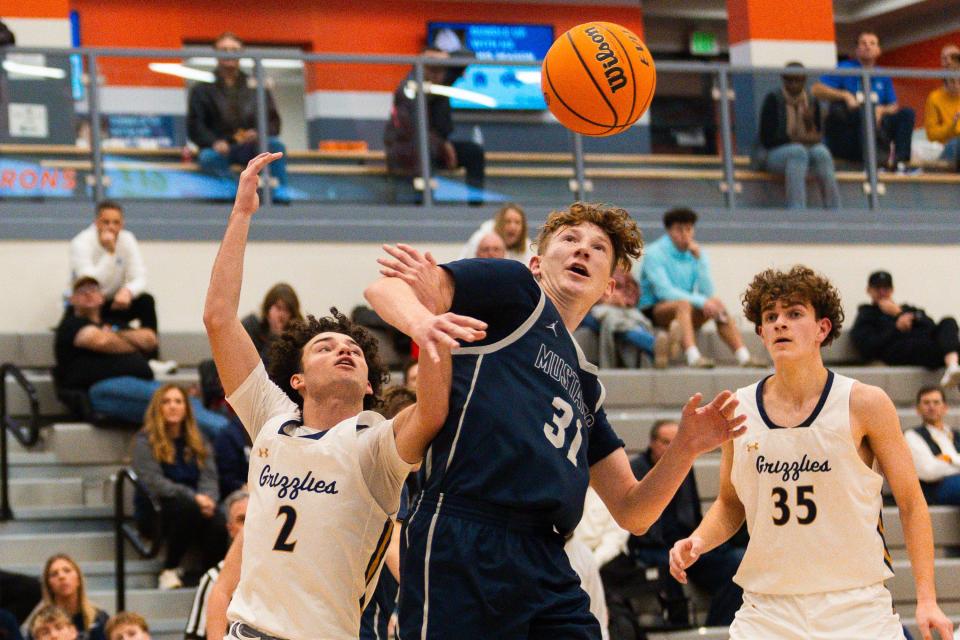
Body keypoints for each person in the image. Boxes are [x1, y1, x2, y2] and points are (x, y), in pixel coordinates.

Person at [367, 201, 748, 639]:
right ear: (535, 263)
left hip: (545, 554)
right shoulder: (516, 293)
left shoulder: (587, 385)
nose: (582, 250)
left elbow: (633, 511)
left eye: (598, 248)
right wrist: (423, 324)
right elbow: (385, 289)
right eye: (569, 240)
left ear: (610, 287)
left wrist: (686, 447)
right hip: (465, 530)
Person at [200, 152, 484, 640]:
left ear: (371, 385)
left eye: (353, 348)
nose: (343, 350)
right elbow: (219, 319)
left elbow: (433, 410)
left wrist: (429, 324)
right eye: (325, 347)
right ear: (298, 380)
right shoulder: (269, 416)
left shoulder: (372, 445)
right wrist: (241, 215)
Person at [669, 265, 954, 640]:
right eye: (770, 317)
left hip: (856, 606)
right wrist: (700, 540)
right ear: (760, 333)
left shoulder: (865, 402)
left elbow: (912, 504)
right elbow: (731, 503)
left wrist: (927, 598)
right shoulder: (737, 409)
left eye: (794, 313)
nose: (780, 324)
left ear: (822, 328)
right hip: (767, 609)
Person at [54, 276, 229, 435]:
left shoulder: (113, 323)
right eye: (82, 291)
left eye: (93, 289)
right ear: (72, 299)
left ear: (102, 297)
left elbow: (150, 340)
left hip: (140, 383)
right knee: (176, 403)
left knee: (185, 402)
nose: (88, 294)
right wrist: (129, 341)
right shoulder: (70, 325)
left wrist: (115, 336)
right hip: (101, 389)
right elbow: (101, 341)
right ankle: (229, 436)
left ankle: (230, 440)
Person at [631, 419, 744, 627]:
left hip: (685, 541)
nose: (670, 449)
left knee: (737, 561)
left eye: (675, 443)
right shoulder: (635, 468)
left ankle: (715, 628)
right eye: (666, 442)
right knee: (666, 564)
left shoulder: (685, 465)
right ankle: (678, 623)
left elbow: (693, 513)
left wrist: (705, 542)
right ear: (652, 443)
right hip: (652, 545)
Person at [638, 208, 764, 369]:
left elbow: (707, 293)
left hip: (685, 309)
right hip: (654, 310)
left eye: (689, 229)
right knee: (683, 304)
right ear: (669, 231)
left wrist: (700, 261)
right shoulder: (654, 253)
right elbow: (665, 292)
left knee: (716, 303)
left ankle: (744, 357)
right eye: (679, 229)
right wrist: (702, 301)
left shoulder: (696, 253)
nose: (685, 234)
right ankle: (693, 357)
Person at [132, 384, 228, 590]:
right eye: (166, 402)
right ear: (158, 408)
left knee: (219, 521)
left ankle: (209, 579)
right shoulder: (144, 441)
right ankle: (169, 569)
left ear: (186, 407)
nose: (173, 406)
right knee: (187, 507)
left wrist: (208, 498)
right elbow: (154, 483)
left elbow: (209, 475)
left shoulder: (198, 439)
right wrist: (195, 498)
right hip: (158, 509)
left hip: (195, 506)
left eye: (178, 401)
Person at [187, 32, 288, 198]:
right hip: (222, 147)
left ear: (241, 53)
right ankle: (238, 194)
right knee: (207, 157)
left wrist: (258, 133)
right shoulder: (202, 89)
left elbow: (273, 122)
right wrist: (214, 142)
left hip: (253, 146)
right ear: (215, 54)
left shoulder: (256, 85)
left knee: (276, 146)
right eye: (223, 49)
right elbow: (195, 126)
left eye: (234, 49)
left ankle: (277, 193)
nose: (228, 54)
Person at [384, 48, 485, 202]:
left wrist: (446, 56)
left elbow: (468, 56)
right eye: (432, 70)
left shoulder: (441, 84)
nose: (438, 75)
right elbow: (413, 131)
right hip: (408, 151)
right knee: (423, 151)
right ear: (423, 69)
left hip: (436, 147)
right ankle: (424, 204)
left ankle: (476, 203)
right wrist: (442, 145)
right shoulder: (409, 89)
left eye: (441, 70)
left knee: (473, 152)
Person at [813, 31, 916, 173]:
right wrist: (845, 95)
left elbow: (893, 106)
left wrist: (880, 110)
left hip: (878, 126)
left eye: (872, 43)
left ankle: (901, 163)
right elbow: (816, 89)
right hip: (850, 131)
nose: (868, 46)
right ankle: (875, 164)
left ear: (878, 50)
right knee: (864, 110)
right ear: (856, 50)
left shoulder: (883, 75)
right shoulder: (845, 68)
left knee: (906, 114)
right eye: (863, 43)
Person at [69, 201, 158, 354]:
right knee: (86, 309)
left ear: (122, 224)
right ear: (96, 223)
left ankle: (152, 357)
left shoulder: (127, 239)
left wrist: (128, 291)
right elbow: (90, 284)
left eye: (116, 222)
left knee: (146, 301)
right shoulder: (81, 243)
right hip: (90, 305)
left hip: (116, 302)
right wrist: (110, 253)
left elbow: (140, 276)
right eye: (106, 222)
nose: (111, 227)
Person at [850, 270, 960, 388]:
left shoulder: (905, 308)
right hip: (900, 350)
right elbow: (867, 347)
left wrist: (899, 312)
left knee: (948, 321)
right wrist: (896, 328)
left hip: (927, 344)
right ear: (869, 290)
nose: (882, 292)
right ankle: (953, 364)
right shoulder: (866, 315)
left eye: (886, 288)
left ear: (892, 290)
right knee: (940, 347)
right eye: (878, 288)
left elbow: (931, 326)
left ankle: (952, 365)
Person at [758, 62, 841, 209]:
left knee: (822, 152)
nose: (794, 84)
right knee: (798, 151)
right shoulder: (773, 99)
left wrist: (809, 124)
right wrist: (797, 139)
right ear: (783, 79)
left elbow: (817, 137)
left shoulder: (812, 100)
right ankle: (797, 210)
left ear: (805, 80)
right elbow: (767, 139)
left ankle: (834, 209)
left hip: (805, 150)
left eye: (798, 80)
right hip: (774, 154)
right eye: (790, 80)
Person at [184, 490, 248, 640]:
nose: (248, 527)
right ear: (230, 529)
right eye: (242, 520)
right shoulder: (213, 577)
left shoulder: (275, 572)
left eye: (253, 518)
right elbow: (194, 637)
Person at [590, 267, 670, 368]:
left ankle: (659, 348)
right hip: (598, 310)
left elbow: (635, 293)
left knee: (637, 319)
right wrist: (606, 299)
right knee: (617, 321)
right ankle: (656, 346)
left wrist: (624, 300)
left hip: (623, 310)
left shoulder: (624, 272)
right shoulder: (596, 267)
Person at [23, 556, 107, 640]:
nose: (61, 576)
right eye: (54, 574)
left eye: (67, 570)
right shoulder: (39, 623)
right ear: (49, 585)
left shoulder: (99, 618)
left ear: (78, 579)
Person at [906, 385, 960, 507]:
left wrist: (949, 459)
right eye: (926, 403)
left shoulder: (956, 434)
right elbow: (928, 471)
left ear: (945, 408)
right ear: (918, 409)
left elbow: (937, 466)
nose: (932, 406)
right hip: (935, 489)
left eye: (936, 402)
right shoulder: (912, 436)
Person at [459, 203, 535, 263]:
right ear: (499, 224)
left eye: (517, 222)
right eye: (508, 221)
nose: (513, 227)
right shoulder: (481, 239)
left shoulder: (527, 245)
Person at [925, 55, 960, 171]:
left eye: (959, 81)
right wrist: (952, 126)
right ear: (945, 80)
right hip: (946, 147)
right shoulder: (934, 98)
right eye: (952, 81)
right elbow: (932, 135)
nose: (956, 86)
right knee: (955, 143)